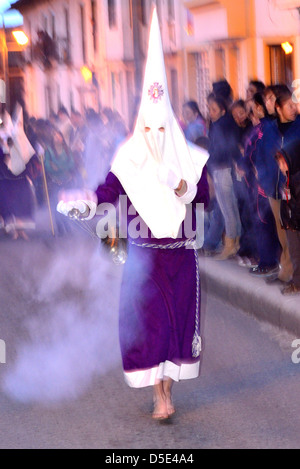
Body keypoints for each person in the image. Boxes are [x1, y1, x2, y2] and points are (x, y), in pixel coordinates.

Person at [57, 8, 209, 420]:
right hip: (144, 257)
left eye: (163, 130)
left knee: (176, 326)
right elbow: (108, 192)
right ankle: (159, 397)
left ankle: (168, 391)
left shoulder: (190, 157)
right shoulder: (128, 157)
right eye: (149, 130)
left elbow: (204, 199)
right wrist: (84, 199)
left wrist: (183, 185)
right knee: (152, 326)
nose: (156, 139)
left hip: (179, 255)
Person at [206, 93, 242, 260]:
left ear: (222, 110)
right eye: (209, 109)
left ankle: (230, 245)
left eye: (213, 109)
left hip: (223, 170)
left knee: (228, 209)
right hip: (224, 169)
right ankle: (234, 243)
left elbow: (223, 149)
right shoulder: (224, 123)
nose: (210, 112)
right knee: (231, 208)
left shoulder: (222, 125)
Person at [275, 140, 300, 295]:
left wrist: (292, 222)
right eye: (279, 164)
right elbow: (286, 203)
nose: (281, 167)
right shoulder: (288, 179)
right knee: (295, 253)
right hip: (291, 224)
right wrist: (285, 220)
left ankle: (297, 283)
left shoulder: (297, 180)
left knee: (297, 253)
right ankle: (296, 282)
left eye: (283, 163)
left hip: (296, 223)